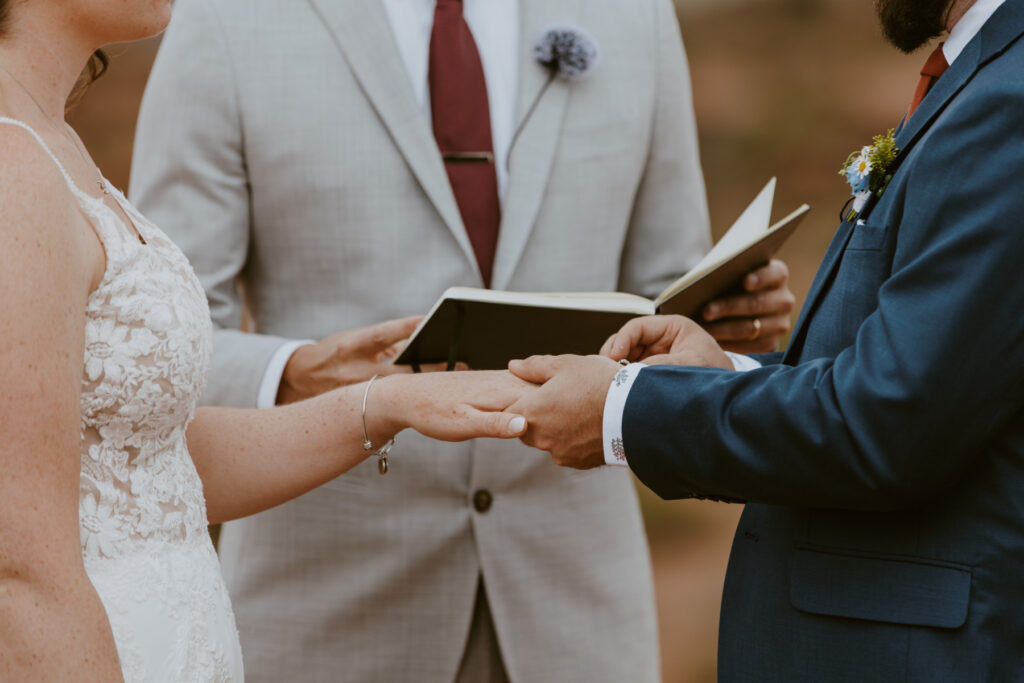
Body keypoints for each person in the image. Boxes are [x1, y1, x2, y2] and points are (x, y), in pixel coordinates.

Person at [129, 0, 796, 681]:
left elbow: (661, 286)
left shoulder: (635, 15)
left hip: (578, 612)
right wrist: (302, 370)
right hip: (326, 608)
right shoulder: (226, 21)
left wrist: (713, 321)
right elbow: (156, 348)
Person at [0, 1, 537, 680]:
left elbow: (145, 468)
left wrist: (386, 403)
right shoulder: (11, 168)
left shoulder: (50, 140)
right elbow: (18, 569)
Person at [506, 0, 1024, 679]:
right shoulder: (983, 77)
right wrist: (722, 371)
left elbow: (889, 422)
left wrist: (621, 411)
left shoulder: (1006, 101)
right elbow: (935, 368)